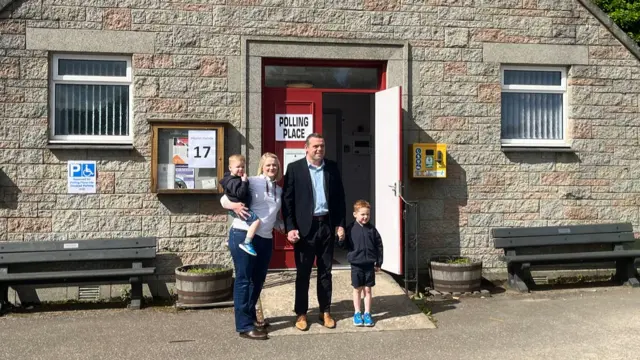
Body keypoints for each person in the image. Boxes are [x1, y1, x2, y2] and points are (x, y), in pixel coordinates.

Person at [281, 133, 346, 331]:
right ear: (306, 148)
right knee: (303, 272)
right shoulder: (294, 169)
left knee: (326, 271)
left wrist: (341, 224)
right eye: (315, 146)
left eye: (322, 146)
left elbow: (340, 198)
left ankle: (325, 311)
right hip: (305, 229)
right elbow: (287, 201)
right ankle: (301, 313)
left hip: (326, 225)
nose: (319, 150)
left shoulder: (332, 167)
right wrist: (290, 227)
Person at [221, 152, 284, 340]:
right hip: (243, 235)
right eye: (268, 165)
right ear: (262, 167)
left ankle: (251, 316)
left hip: (265, 238)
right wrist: (234, 207)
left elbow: (272, 218)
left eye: (275, 165)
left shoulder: (278, 190)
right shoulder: (252, 181)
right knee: (244, 279)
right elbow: (224, 199)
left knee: (258, 280)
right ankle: (244, 325)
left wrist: (285, 229)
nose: (272, 168)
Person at [338, 200, 383, 327]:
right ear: (355, 214)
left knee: (368, 289)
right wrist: (341, 239)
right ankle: (357, 313)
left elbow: (379, 246)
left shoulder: (372, 230)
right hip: (356, 264)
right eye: (362, 214)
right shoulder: (350, 229)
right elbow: (344, 246)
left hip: (369, 264)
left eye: (367, 214)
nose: (365, 217)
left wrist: (379, 262)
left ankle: (367, 313)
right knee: (357, 289)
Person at [219, 154, 261, 256]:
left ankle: (229, 240)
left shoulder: (230, 179)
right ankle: (247, 242)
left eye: (242, 167)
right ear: (230, 168)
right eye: (238, 167)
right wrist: (244, 182)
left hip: (238, 208)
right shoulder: (235, 181)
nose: (241, 169)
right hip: (242, 208)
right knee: (256, 221)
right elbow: (240, 194)